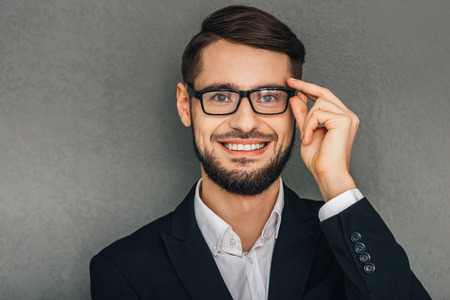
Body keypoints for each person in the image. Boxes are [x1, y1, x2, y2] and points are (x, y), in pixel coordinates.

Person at [90, 5, 430, 300]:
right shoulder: (123, 269)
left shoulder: (348, 242)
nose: (246, 122)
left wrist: (336, 180)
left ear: (297, 108)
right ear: (185, 105)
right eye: (220, 96)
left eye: (268, 96)